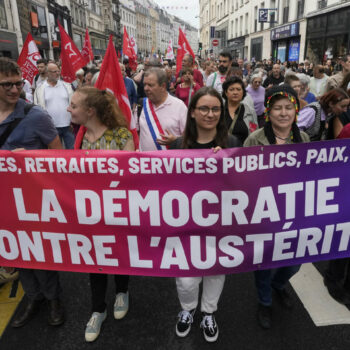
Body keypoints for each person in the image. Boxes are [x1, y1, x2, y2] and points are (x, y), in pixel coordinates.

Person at [170, 87, 241, 343]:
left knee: (214, 272)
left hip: (219, 224)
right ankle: (187, 308)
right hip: (186, 224)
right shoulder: (179, 145)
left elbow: (242, 186)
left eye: (215, 109)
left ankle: (209, 311)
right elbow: (166, 187)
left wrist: (226, 166)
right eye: (204, 108)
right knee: (187, 278)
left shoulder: (232, 143)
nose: (210, 114)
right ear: (192, 113)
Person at [0, 58, 64, 328]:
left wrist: (32, 158)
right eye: (6, 85)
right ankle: (34, 298)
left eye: (18, 83)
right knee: (15, 251)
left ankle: (53, 299)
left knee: (39, 250)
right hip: (4, 202)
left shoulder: (35, 115)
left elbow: (60, 157)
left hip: (33, 201)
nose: (15, 90)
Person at [68, 86, 134, 342]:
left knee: (119, 251)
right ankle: (98, 309)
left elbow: (129, 176)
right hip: (89, 212)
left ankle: (122, 291)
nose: (69, 109)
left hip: (116, 210)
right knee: (94, 259)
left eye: (73, 105)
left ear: (90, 111)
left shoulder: (121, 135)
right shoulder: (78, 135)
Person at [244, 84, 309, 329]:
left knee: (294, 262)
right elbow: (242, 175)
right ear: (268, 112)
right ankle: (265, 301)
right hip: (263, 213)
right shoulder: (255, 139)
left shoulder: (302, 138)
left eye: (288, 107)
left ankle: (278, 285)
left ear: (295, 110)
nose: (283, 113)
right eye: (277, 108)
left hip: (293, 212)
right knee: (264, 262)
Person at [137, 67, 187, 151]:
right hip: (145, 162)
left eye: (150, 85)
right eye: (144, 84)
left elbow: (189, 138)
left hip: (170, 162)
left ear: (163, 86)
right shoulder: (142, 104)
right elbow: (137, 132)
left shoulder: (179, 106)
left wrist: (176, 141)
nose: (146, 88)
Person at [34, 62, 75, 149]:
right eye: (54, 71)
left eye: (58, 71)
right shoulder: (40, 89)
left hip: (69, 126)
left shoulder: (67, 86)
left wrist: (73, 120)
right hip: (51, 127)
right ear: (47, 73)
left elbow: (74, 104)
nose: (57, 73)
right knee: (56, 155)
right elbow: (37, 108)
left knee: (73, 152)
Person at [222, 76, 258, 144]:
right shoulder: (219, 110)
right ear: (226, 92)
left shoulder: (250, 111)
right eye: (231, 89)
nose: (235, 92)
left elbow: (255, 134)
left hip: (245, 152)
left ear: (243, 92)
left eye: (238, 89)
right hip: (223, 151)